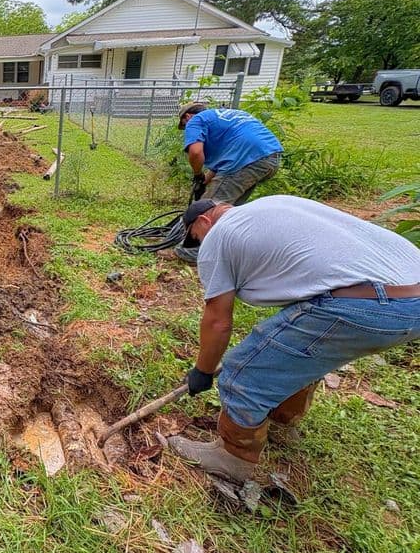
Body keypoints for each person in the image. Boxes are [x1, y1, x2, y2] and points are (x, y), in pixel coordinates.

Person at [167, 195, 420, 482]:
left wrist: (203, 370)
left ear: (204, 220)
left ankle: (232, 456)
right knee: (295, 354)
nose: (201, 246)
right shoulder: (274, 206)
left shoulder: (220, 235)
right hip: (410, 297)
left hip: (367, 303)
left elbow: (218, 320)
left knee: (242, 372)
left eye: (197, 239)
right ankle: (281, 423)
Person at [174, 103, 283, 263]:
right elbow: (219, 167)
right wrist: (204, 180)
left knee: (209, 208)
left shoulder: (196, 120)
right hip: (268, 158)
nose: (186, 129)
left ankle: (193, 252)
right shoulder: (226, 116)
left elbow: (196, 152)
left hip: (245, 159)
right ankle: (229, 246)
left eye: (184, 125)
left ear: (187, 117)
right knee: (229, 210)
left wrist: (197, 174)